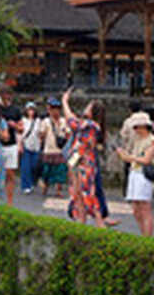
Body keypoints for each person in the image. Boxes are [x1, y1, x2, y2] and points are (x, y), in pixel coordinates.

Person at [61, 88, 105, 228]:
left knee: (87, 195)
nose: (86, 108)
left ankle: (99, 225)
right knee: (78, 195)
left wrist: (65, 101)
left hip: (83, 163)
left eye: (89, 106)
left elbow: (71, 120)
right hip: (77, 161)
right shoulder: (90, 125)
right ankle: (82, 225)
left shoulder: (91, 125)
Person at [116, 111, 154, 236]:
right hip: (134, 172)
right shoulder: (138, 139)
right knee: (136, 208)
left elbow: (146, 159)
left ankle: (147, 237)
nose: (135, 130)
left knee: (145, 207)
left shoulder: (152, 140)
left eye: (136, 127)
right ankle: (143, 233)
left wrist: (129, 157)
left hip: (143, 174)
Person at [38, 98, 69, 197]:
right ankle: (45, 187)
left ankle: (58, 191)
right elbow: (41, 135)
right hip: (49, 150)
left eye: (57, 109)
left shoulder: (64, 121)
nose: (55, 111)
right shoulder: (46, 121)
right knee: (47, 171)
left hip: (60, 150)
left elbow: (68, 134)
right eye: (53, 109)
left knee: (60, 171)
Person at [0, 90, 23, 206]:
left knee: (10, 174)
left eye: (7, 95)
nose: (6, 97)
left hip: (11, 144)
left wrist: (15, 126)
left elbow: (21, 129)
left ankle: (9, 201)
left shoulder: (15, 110)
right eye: (3, 95)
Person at [18, 101, 43, 194]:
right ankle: (26, 185)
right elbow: (20, 133)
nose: (31, 112)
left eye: (32, 110)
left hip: (36, 145)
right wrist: (20, 145)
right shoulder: (23, 120)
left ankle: (32, 182)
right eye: (29, 110)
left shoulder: (38, 121)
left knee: (34, 165)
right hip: (26, 144)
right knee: (26, 167)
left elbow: (40, 133)